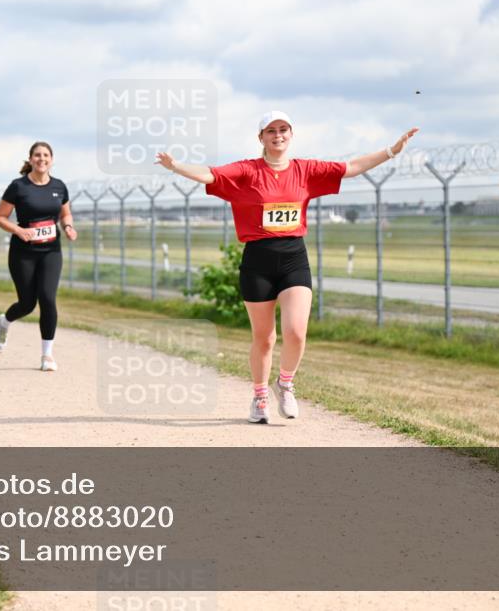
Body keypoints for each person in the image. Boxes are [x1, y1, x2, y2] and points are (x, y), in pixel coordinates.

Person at [156, 112, 418, 424]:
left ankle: (285, 383)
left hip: (294, 257)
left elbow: (352, 168)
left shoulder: (305, 170)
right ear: (261, 137)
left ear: (290, 134)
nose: (277, 135)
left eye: (283, 130)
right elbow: (210, 175)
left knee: (295, 331)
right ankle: (259, 396)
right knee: (264, 337)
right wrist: (177, 167)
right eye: (271, 131)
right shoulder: (247, 170)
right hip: (257, 260)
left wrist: (391, 151)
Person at [0, 141, 76, 371]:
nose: (41, 159)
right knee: (27, 303)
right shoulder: (18, 187)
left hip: (51, 251)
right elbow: (0, 218)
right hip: (23, 252)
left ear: (52, 159)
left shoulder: (59, 186)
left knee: (48, 298)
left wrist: (68, 227)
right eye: (37, 155)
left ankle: (47, 356)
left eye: (46, 155)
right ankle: (4, 322)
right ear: (30, 160)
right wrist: (19, 231)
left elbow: (65, 214)